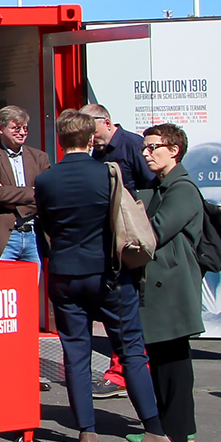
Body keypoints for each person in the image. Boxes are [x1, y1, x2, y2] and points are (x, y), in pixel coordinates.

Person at [33, 109, 192, 442]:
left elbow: (44, 230)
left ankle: (87, 435)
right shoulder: (109, 173)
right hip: (108, 273)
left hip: (64, 274)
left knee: (76, 354)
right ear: (91, 139)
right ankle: (154, 433)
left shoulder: (45, 181)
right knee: (132, 349)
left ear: (60, 141)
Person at [135, 124, 206, 442]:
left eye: (153, 147)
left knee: (173, 361)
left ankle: (173, 433)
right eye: (145, 148)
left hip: (173, 285)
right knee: (164, 358)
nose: (146, 153)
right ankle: (174, 427)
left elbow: (158, 231)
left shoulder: (182, 188)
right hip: (165, 282)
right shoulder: (164, 186)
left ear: (174, 150)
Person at [85, 104, 152, 397]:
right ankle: (125, 369)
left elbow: (151, 188)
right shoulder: (97, 153)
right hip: (111, 239)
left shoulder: (133, 146)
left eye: (92, 130)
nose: (90, 137)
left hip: (133, 238)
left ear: (106, 122)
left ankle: (125, 371)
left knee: (130, 306)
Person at [0, 105, 50, 263]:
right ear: (0, 128)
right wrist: (33, 192)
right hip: (2, 236)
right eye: (16, 128)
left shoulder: (40, 157)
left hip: (33, 234)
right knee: (1, 285)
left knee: (32, 285)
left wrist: (10, 194)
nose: (22, 133)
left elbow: (47, 194)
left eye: (25, 128)